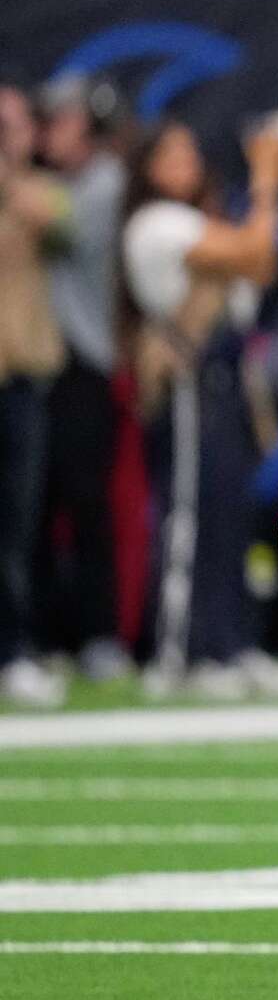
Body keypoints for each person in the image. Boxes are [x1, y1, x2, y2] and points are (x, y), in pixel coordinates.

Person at [122, 118, 278, 697]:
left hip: (225, 378)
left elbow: (261, 264)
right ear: (146, 167)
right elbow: (254, 249)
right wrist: (267, 179)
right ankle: (182, 650)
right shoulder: (153, 223)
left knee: (229, 513)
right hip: (186, 378)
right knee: (189, 511)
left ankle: (230, 643)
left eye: (189, 149)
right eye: (170, 151)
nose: (185, 160)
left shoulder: (201, 221)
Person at [36, 73, 130, 681]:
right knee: (33, 510)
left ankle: (98, 636)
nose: (52, 134)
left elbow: (51, 218)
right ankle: (43, 638)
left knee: (87, 502)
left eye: (63, 121)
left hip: (84, 362)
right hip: (36, 362)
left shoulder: (103, 182)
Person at [0, 83, 69, 708]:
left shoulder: (36, 192)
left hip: (20, 379)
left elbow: (56, 217)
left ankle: (15, 647)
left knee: (18, 526)